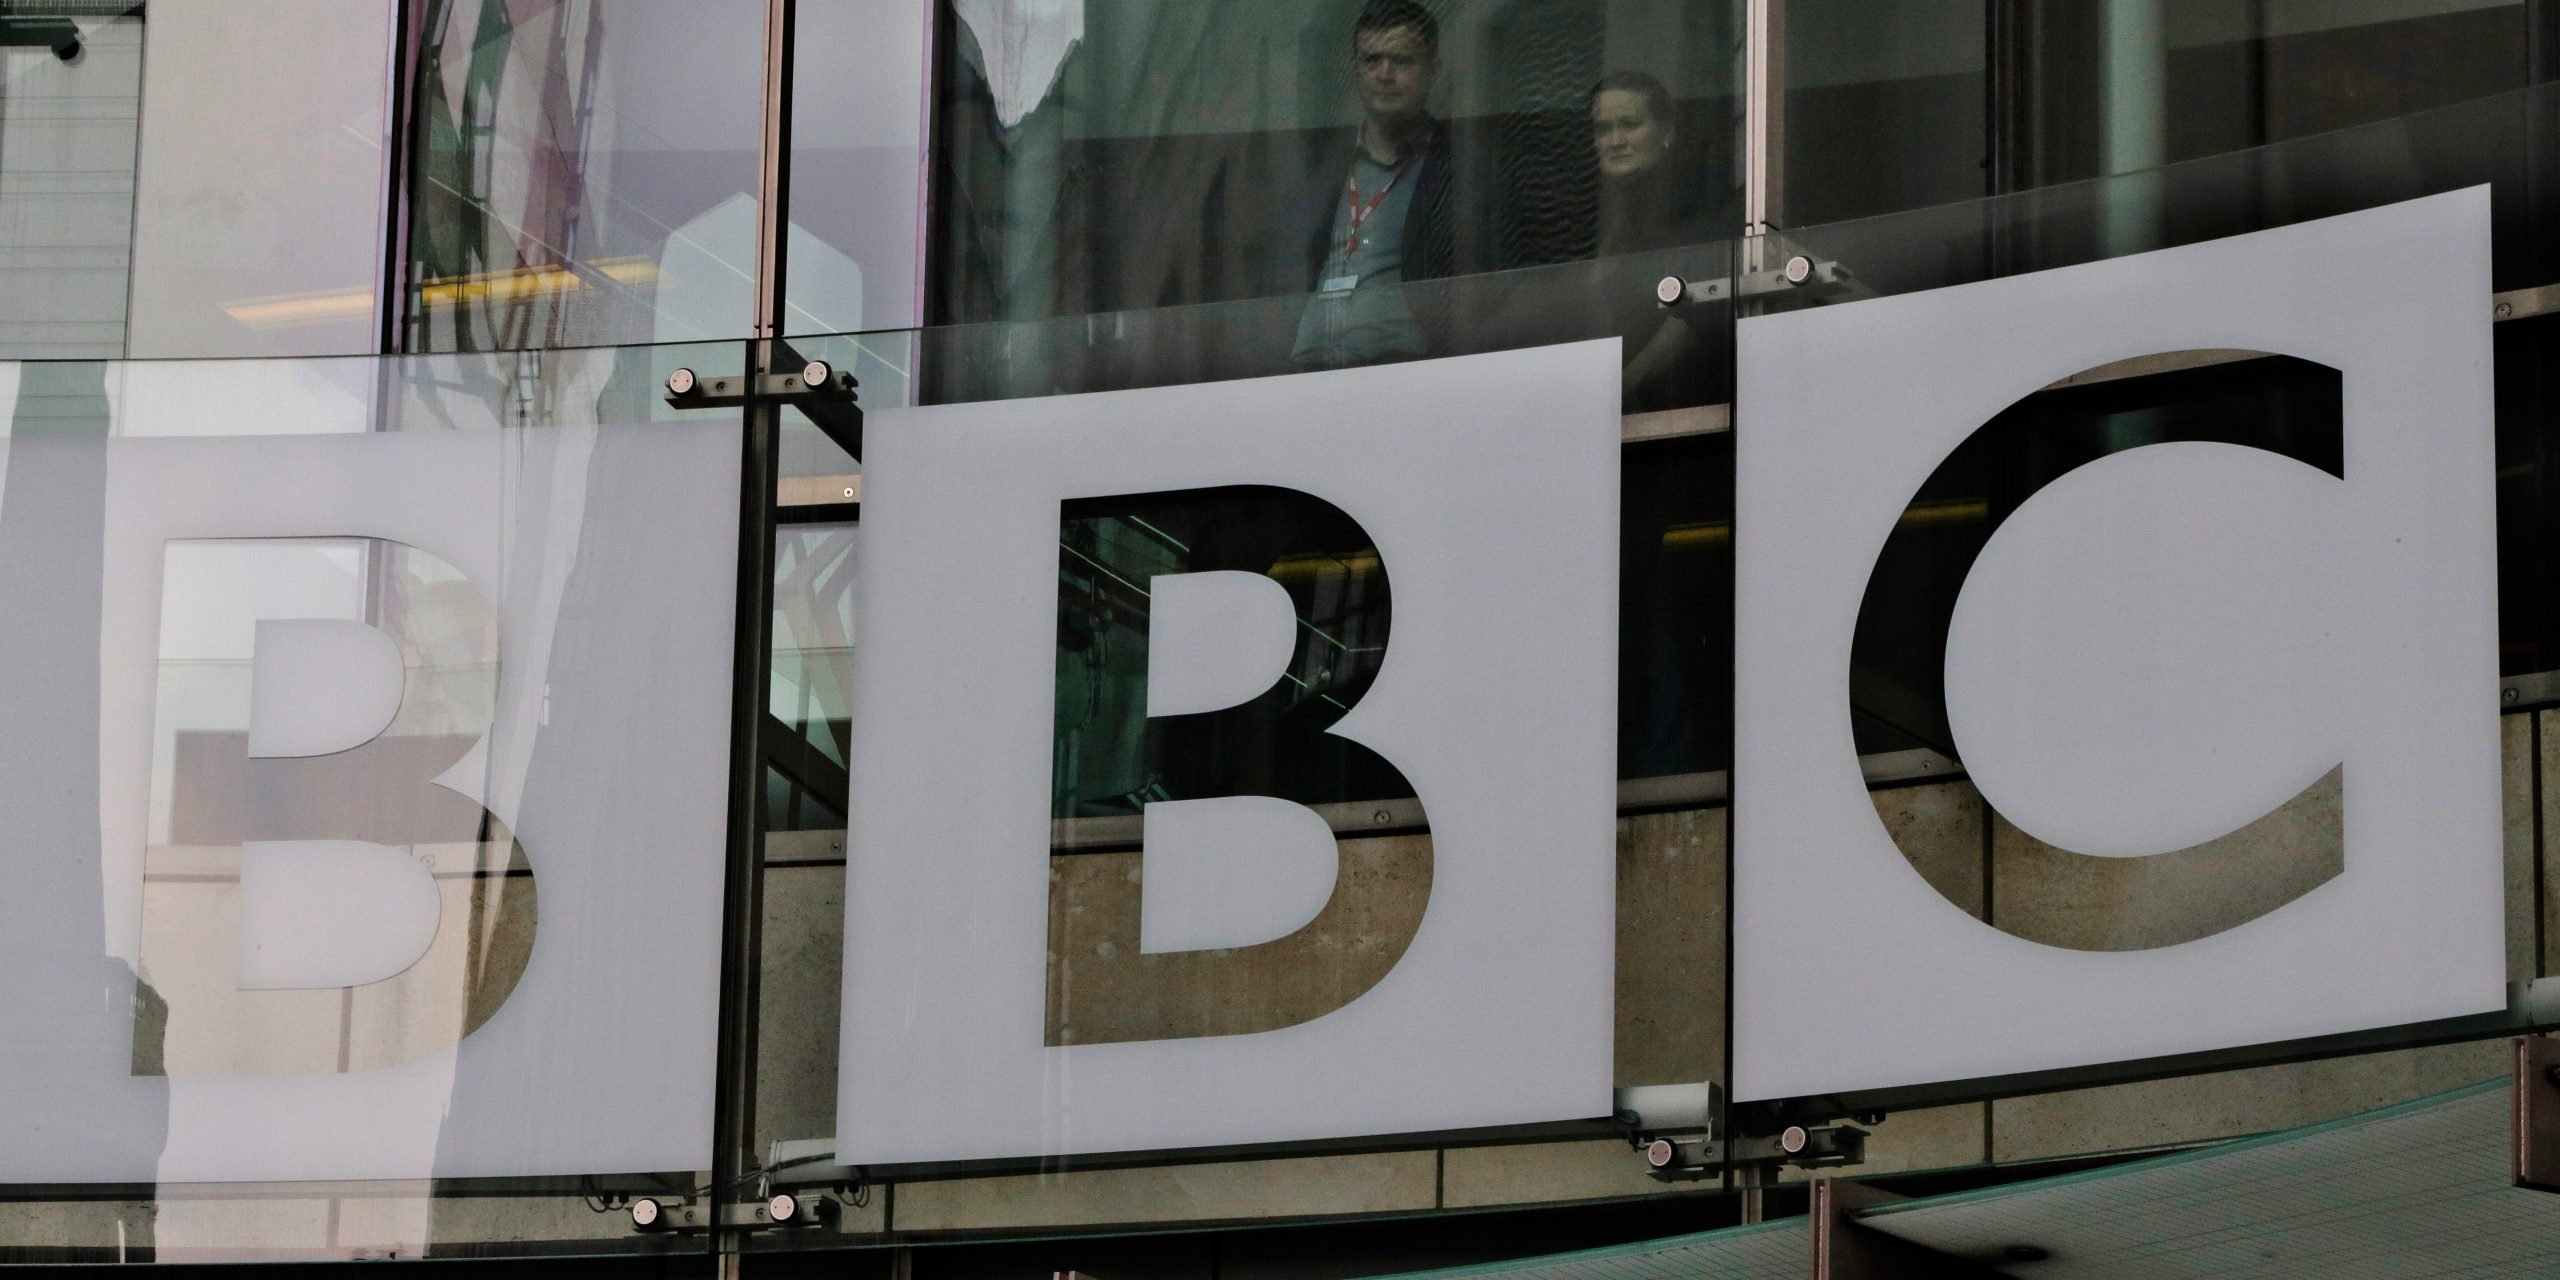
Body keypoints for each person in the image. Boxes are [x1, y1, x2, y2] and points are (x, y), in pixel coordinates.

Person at [1288, 1, 1459, 370]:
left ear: (1434, 71)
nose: (1384, 74)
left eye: (1401, 60)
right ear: (1354, 70)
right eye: (1371, 60)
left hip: (1404, 369)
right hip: (1308, 368)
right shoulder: (1320, 164)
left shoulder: (1461, 165)